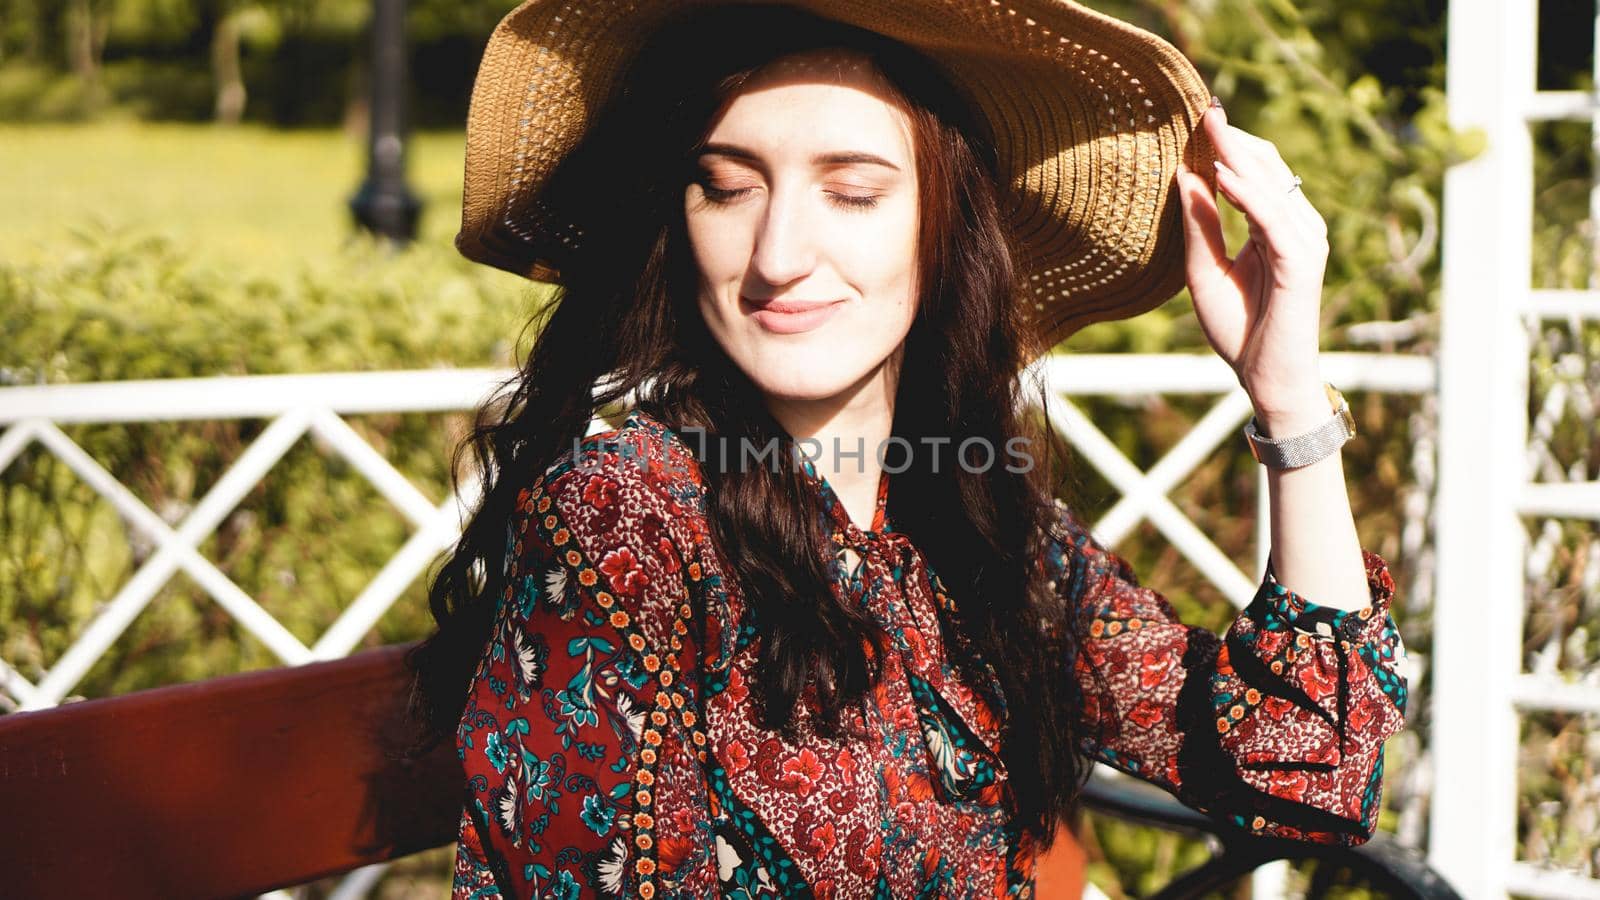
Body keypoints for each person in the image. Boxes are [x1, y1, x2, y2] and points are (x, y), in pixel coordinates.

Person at [407, 2, 1410, 896]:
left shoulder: (971, 516)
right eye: (726, 187)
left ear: (946, 222)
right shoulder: (627, 518)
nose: (777, 255)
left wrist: (1286, 402)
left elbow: (1304, 770)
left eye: (851, 192)